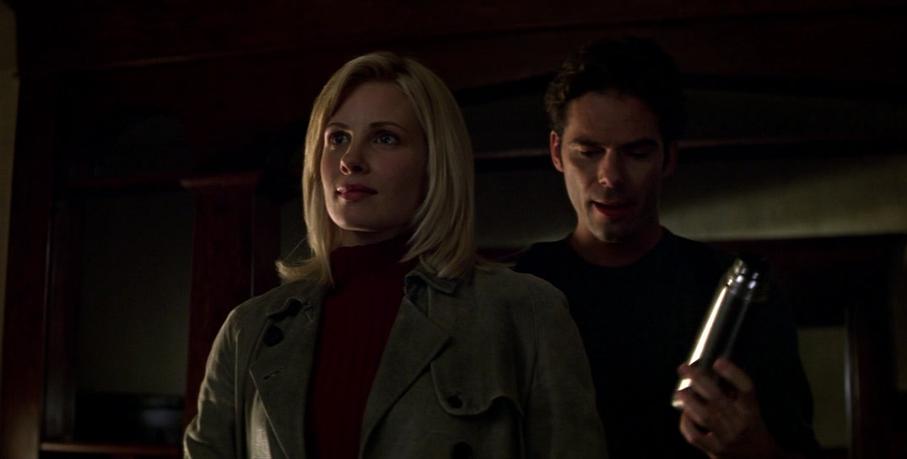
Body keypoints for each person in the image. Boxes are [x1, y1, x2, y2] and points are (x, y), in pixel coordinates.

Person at [184, 51, 606, 459]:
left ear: (434, 162)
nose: (351, 160)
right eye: (338, 138)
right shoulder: (249, 330)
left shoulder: (524, 312)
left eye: (384, 138)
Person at [514, 37, 818, 458]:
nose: (610, 177)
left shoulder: (735, 296)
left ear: (669, 157)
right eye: (588, 152)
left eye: (636, 153)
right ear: (556, 152)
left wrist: (753, 449)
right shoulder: (514, 290)